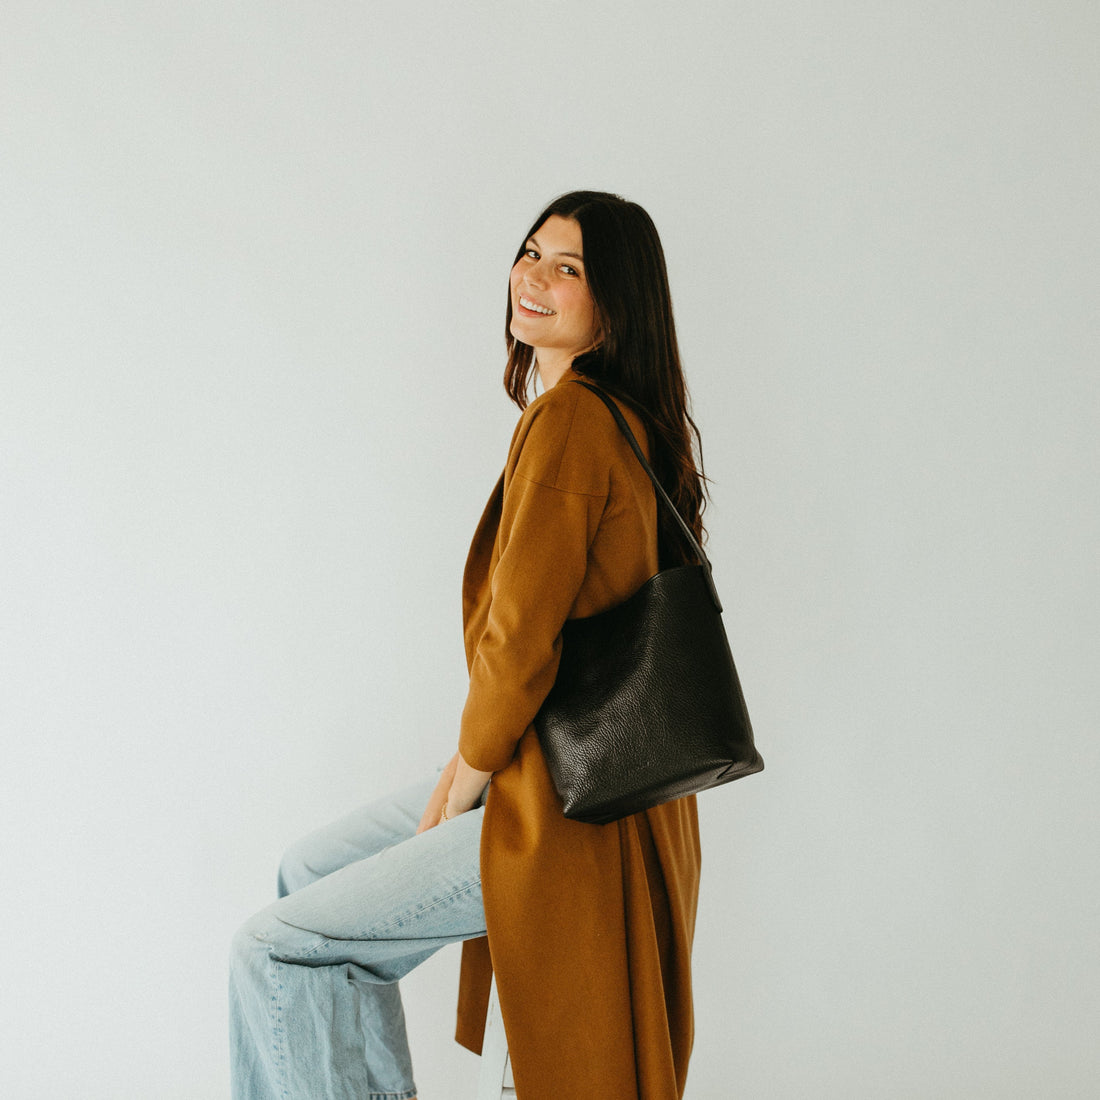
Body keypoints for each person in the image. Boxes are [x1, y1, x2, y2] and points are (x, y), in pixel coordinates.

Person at [229, 190, 706, 1100]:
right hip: (573, 774)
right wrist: (465, 768)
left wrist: (464, 793)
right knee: (307, 874)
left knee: (272, 952)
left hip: (557, 812)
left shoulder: (573, 423)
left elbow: (520, 642)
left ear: (616, 306)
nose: (534, 277)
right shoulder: (619, 423)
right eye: (531, 253)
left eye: (569, 268)